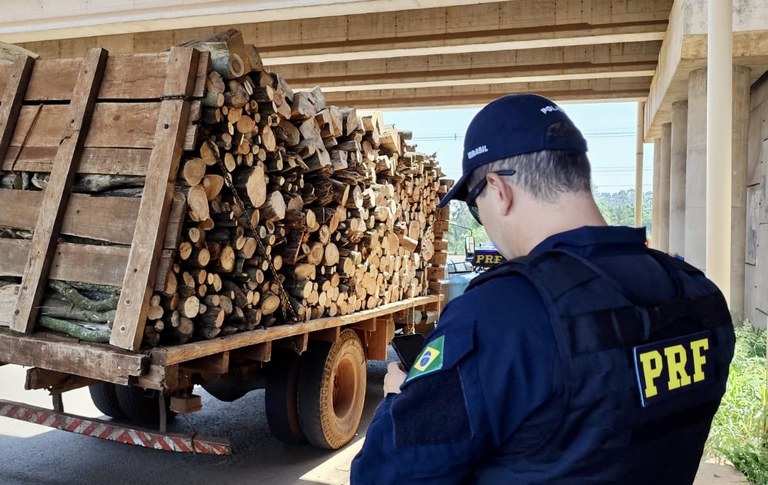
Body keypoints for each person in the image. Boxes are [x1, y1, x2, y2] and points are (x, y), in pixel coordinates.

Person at [350, 94, 735, 484]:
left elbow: (384, 475)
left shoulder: (502, 314)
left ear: (499, 191)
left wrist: (399, 400)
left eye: (473, 204)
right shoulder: (698, 294)